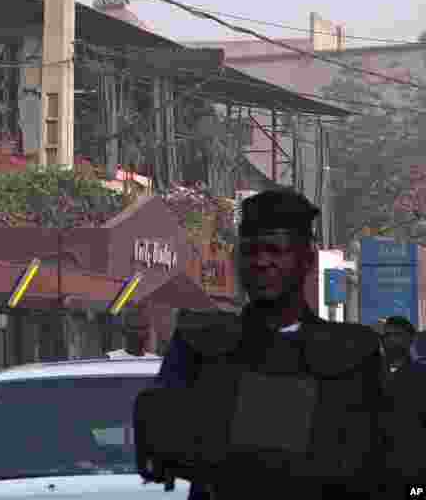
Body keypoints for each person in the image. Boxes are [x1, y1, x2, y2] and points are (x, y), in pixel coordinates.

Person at [153, 189, 386, 499]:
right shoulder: (198, 345)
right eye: (251, 251)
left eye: (276, 251)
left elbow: (378, 462)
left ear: (308, 260)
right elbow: (161, 447)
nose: (262, 262)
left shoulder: (354, 354)